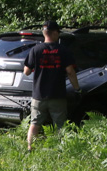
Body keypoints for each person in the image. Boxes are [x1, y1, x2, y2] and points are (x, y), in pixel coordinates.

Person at [23, 19, 80, 151]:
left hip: (38, 95)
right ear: (54, 33)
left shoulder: (35, 50)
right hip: (57, 95)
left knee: (34, 123)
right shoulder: (63, 51)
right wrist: (77, 89)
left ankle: (30, 148)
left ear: (44, 33)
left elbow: (26, 71)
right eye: (58, 33)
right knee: (60, 124)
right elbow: (70, 72)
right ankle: (59, 149)